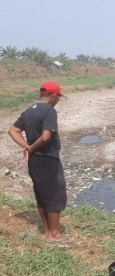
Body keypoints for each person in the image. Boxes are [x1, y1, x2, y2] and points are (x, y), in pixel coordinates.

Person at [8, 81, 68, 243]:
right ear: (53, 96)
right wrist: (31, 148)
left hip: (35, 161)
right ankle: (55, 234)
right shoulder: (49, 111)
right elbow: (46, 136)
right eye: (58, 98)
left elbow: (13, 130)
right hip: (47, 158)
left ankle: (48, 231)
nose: (57, 101)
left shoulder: (29, 110)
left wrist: (26, 146)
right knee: (55, 195)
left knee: (42, 194)